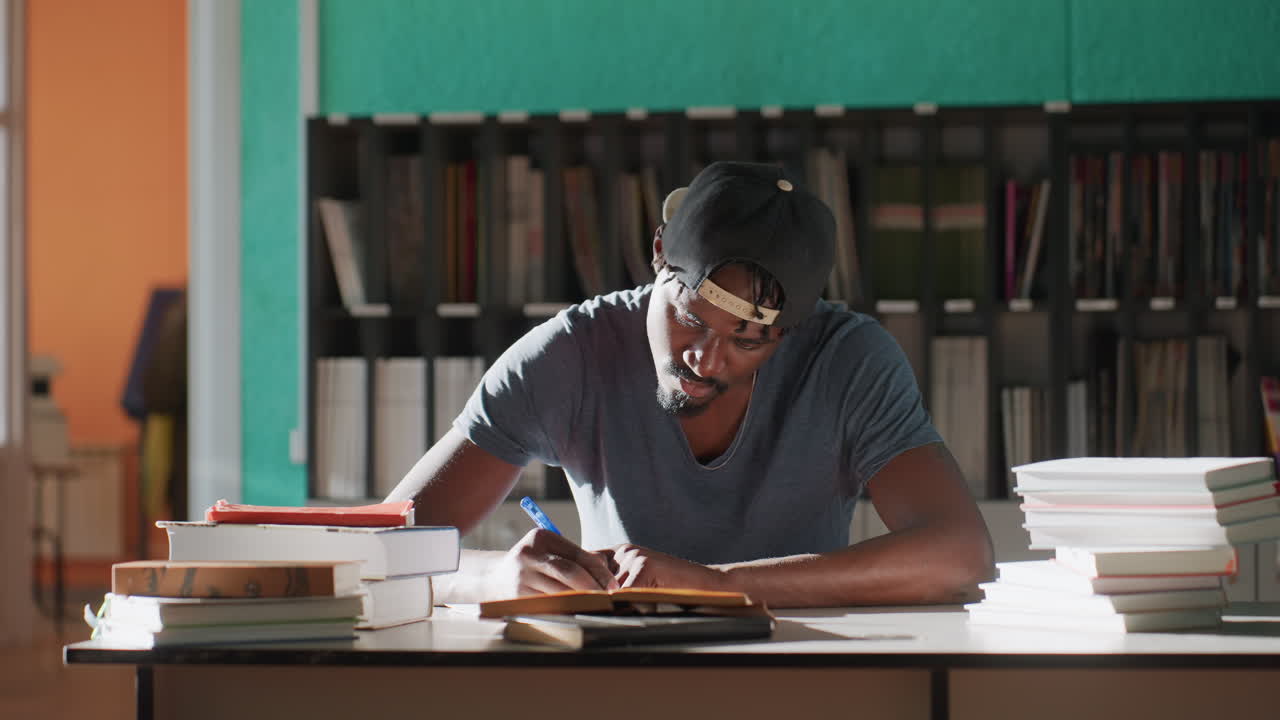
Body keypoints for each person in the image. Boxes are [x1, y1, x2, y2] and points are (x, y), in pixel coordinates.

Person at [387, 160, 994, 607]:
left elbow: (961, 554)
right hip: (622, 677)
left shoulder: (849, 359)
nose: (706, 358)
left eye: (747, 340)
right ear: (658, 255)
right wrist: (490, 578)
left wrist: (722, 585)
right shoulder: (570, 354)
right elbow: (385, 551)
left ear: (792, 332)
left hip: (800, 669)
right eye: (690, 317)